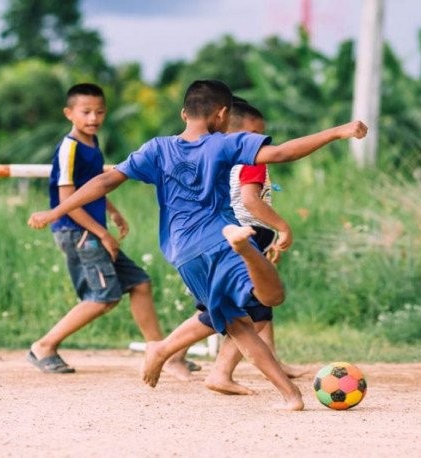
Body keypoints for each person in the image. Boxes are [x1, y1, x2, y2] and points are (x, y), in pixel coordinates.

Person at [28, 79, 368, 410]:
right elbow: (280, 153)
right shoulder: (224, 143)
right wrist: (337, 131)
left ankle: (289, 395)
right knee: (272, 296)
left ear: (183, 113)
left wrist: (56, 211)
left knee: (237, 323)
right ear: (222, 115)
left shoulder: (156, 148)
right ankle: (246, 250)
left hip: (181, 252)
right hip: (220, 236)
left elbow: (104, 181)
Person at [27, 82, 191, 380]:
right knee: (103, 296)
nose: (93, 118)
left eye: (99, 112)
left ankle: (161, 351)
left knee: (139, 283)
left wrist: (113, 212)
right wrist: (102, 233)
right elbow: (68, 201)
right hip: (77, 231)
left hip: (93, 229)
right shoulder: (70, 147)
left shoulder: (92, 143)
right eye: (86, 112)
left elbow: (92, 186)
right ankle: (43, 346)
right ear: (69, 113)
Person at [201, 98, 307, 396]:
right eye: (255, 136)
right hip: (248, 234)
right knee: (251, 310)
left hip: (222, 232)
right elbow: (250, 201)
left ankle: (267, 361)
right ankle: (182, 356)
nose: (260, 143)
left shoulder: (215, 159)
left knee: (253, 305)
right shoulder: (252, 160)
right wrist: (281, 227)